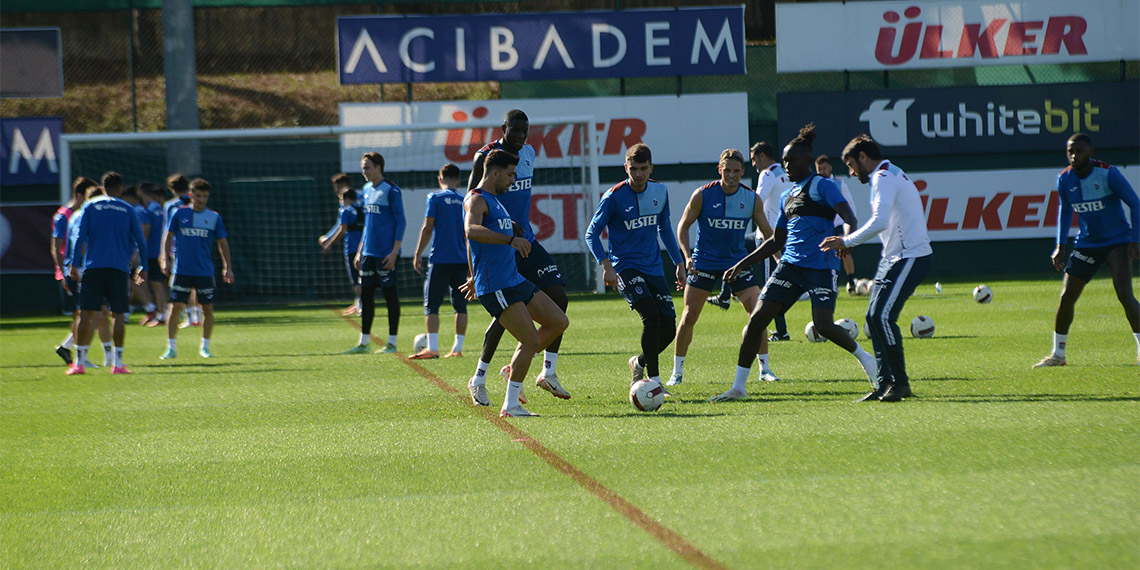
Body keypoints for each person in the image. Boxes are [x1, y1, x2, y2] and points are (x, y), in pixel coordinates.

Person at [712, 125, 877, 402]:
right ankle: (739, 387)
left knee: (823, 325)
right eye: (785, 160)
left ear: (805, 161)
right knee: (756, 321)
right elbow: (775, 242)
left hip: (821, 266)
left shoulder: (822, 186)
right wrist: (742, 264)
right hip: (789, 265)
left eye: (791, 161)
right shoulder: (787, 196)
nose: (786, 166)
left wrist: (845, 241)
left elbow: (849, 217)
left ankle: (869, 362)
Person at [465, 109, 571, 399]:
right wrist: (474, 270)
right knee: (504, 314)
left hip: (525, 240)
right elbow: (472, 204)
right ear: (503, 128)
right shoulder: (486, 157)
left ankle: (546, 372)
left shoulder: (530, 153)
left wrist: (517, 233)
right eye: (515, 131)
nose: (521, 137)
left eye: (525, 132)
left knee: (558, 298)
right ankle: (480, 377)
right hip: (501, 245)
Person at [821, 133, 933, 401]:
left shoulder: (883, 176)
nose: (850, 172)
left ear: (862, 157)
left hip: (910, 256)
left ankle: (900, 384)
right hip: (894, 257)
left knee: (883, 318)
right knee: (874, 318)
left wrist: (846, 240)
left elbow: (880, 221)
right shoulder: (887, 174)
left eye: (851, 165)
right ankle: (884, 384)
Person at [670, 148, 778, 387]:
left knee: (757, 314)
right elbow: (682, 226)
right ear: (719, 170)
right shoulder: (702, 195)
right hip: (705, 262)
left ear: (742, 172)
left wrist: (781, 262)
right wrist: (687, 257)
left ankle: (765, 369)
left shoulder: (751, 198)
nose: (731, 175)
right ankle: (676, 373)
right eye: (727, 170)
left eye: (736, 171)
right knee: (689, 315)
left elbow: (770, 235)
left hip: (737, 263)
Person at [1032, 133, 1140, 368]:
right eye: (1070, 151)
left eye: (1079, 151)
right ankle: (1057, 354)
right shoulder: (1064, 179)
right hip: (1087, 244)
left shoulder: (1108, 173)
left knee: (1124, 294)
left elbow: (1135, 202)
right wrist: (1060, 245)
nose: (1074, 155)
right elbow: (1065, 211)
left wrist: (1135, 239)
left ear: (1090, 152)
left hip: (1117, 242)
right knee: (1066, 296)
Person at [585, 143, 685, 388]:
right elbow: (591, 233)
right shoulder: (613, 197)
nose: (638, 174)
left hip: (653, 267)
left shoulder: (660, 192)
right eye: (633, 169)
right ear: (625, 168)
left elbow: (665, 228)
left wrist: (679, 262)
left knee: (669, 329)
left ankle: (639, 363)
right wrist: (606, 266)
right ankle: (655, 382)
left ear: (651, 168)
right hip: (625, 268)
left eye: (643, 169)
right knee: (651, 318)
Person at [65, 172, 148, 375]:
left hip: (93, 268)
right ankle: (117, 364)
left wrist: (74, 264)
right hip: (119, 269)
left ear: (102, 188)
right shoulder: (128, 209)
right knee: (118, 314)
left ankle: (79, 363)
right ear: (120, 189)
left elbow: (80, 236)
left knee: (86, 313)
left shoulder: (91, 206)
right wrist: (143, 266)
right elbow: (141, 241)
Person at [159, 178, 235, 359]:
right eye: (199, 196)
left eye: (205, 196)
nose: (202, 200)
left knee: (207, 309)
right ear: (191, 195)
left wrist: (228, 267)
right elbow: (167, 236)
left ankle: (205, 347)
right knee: (175, 306)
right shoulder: (179, 214)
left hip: (204, 271)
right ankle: (171, 348)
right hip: (181, 269)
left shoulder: (214, 217)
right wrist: (165, 258)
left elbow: (222, 243)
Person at [342, 152, 405, 354]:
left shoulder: (391, 190)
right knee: (366, 296)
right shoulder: (367, 189)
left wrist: (395, 252)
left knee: (390, 297)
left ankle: (392, 343)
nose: (364, 171)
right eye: (362, 167)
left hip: (386, 254)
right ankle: (364, 342)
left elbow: (401, 222)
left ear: (379, 167)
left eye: (367, 167)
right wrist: (360, 251)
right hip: (368, 253)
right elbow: (368, 225)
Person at [410, 163, 469, 359]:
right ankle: (457, 348)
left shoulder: (434, 197)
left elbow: (428, 228)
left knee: (432, 305)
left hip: (440, 260)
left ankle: (433, 347)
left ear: (440, 179)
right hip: (461, 260)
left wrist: (418, 253)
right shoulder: (464, 201)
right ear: (458, 180)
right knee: (460, 305)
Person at [52, 176, 97, 365]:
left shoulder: (85, 213)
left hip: (87, 270)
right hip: (71, 271)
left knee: (88, 314)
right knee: (88, 314)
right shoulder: (63, 216)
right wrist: (63, 272)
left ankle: (69, 348)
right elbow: (56, 246)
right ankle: (80, 355)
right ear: (80, 194)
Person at [319, 173, 363, 316]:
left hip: (357, 244)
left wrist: (328, 241)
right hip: (363, 243)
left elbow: (342, 226)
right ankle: (359, 302)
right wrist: (328, 237)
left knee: (357, 277)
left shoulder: (356, 199)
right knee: (360, 276)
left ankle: (361, 303)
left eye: (337, 187)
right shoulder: (349, 202)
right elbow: (341, 224)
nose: (336, 190)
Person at [163, 173, 201, 329]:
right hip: (197, 246)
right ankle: (196, 316)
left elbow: (168, 231)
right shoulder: (195, 202)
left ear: (171, 188)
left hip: (178, 249)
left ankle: (188, 316)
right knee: (197, 283)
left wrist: (164, 255)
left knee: (181, 284)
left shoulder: (171, 205)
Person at [816, 154, 858, 294]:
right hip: (824, 225)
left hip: (839, 223)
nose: (822, 171)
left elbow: (850, 205)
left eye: (824, 168)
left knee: (844, 252)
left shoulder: (839, 184)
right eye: (819, 169)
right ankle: (826, 283)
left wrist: (850, 223)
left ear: (830, 168)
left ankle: (851, 280)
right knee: (823, 253)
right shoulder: (815, 185)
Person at [120, 185, 158, 323]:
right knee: (136, 282)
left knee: (133, 282)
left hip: (133, 253)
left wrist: (136, 254)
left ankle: (151, 309)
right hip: (131, 252)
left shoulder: (138, 211)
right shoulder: (135, 211)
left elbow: (142, 235)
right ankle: (127, 312)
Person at [141, 182, 168, 326]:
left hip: (152, 252)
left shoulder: (147, 211)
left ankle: (162, 315)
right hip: (163, 251)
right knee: (163, 283)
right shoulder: (162, 208)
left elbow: (146, 232)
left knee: (156, 284)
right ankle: (167, 312)